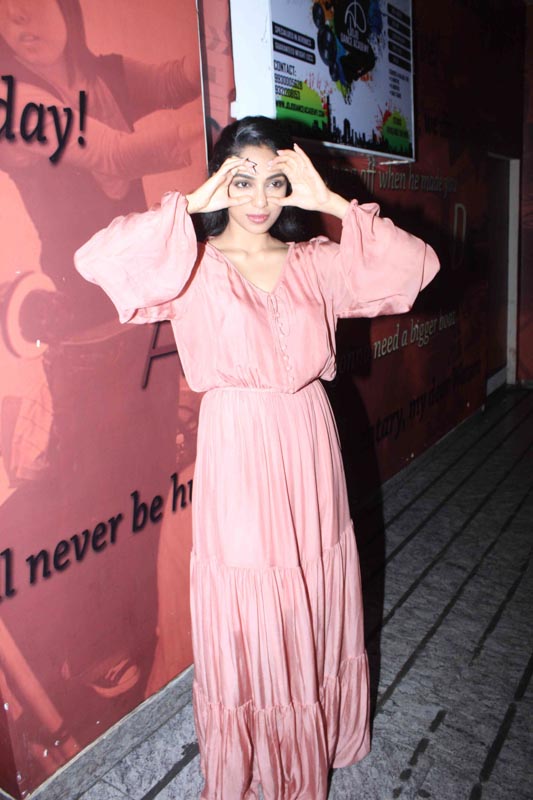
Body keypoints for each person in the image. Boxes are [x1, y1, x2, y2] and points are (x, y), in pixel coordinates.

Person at [75, 116, 440, 800]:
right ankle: (265, 757)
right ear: (220, 181)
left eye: (275, 181)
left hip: (307, 436)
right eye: (242, 180)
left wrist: (330, 202)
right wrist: (193, 204)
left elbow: (415, 266)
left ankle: (321, 731)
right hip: (237, 448)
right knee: (252, 592)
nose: (260, 197)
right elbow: (98, 259)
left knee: (313, 577)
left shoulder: (315, 263)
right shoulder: (189, 265)